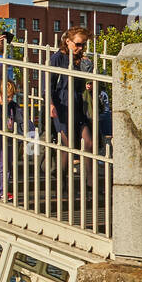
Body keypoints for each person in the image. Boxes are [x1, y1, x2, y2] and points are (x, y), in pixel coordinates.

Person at [48, 26, 94, 187]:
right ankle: (61, 181)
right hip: (62, 105)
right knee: (67, 146)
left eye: (83, 45)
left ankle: (90, 183)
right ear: (67, 41)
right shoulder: (57, 58)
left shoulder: (81, 60)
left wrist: (88, 85)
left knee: (89, 143)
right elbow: (48, 83)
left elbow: (85, 82)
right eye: (78, 44)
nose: (80, 48)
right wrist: (51, 104)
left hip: (79, 105)